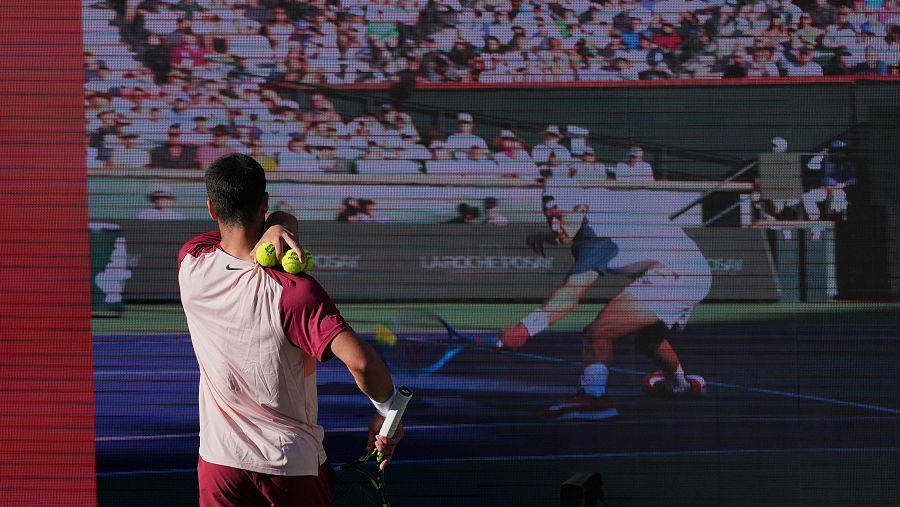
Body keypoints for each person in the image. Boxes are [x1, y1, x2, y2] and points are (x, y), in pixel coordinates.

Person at [178, 154, 403, 506]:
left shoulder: (191, 260)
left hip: (218, 463)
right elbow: (361, 363)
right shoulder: (294, 292)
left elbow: (234, 235)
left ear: (211, 208)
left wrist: (277, 225)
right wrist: (388, 410)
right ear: (264, 202)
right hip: (289, 465)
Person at [499, 185, 711, 420]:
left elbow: (572, 292)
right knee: (648, 340)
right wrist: (549, 236)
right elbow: (575, 227)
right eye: (549, 220)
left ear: (580, 209)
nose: (555, 227)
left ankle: (593, 400)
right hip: (690, 265)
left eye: (559, 218)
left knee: (599, 332)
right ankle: (680, 385)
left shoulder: (599, 237)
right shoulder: (590, 208)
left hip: (678, 273)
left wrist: (525, 329)